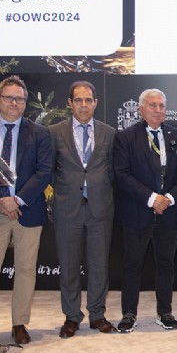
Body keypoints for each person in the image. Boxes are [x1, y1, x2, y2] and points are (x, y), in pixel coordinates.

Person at [0, 75, 52, 345]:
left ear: (25, 102)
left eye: (19, 99)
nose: (14, 103)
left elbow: (44, 172)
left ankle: (19, 324)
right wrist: (2, 200)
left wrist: (17, 200)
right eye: (9, 98)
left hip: (28, 210)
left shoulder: (40, 133)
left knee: (25, 270)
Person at [113, 89, 177, 333]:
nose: (158, 110)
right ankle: (129, 313)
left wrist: (168, 198)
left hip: (169, 212)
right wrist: (151, 199)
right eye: (152, 105)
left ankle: (165, 312)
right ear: (141, 109)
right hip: (137, 211)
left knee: (166, 264)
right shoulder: (125, 137)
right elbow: (122, 175)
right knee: (132, 264)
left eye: (161, 106)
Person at [48, 81, 118, 338]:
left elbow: (112, 171)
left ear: (95, 103)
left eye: (88, 100)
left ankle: (97, 314)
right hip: (68, 209)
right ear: (70, 103)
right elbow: (50, 170)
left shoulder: (109, 133)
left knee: (99, 266)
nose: (84, 105)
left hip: (100, 209)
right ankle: (71, 317)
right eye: (78, 100)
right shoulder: (54, 132)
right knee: (68, 267)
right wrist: (68, 191)